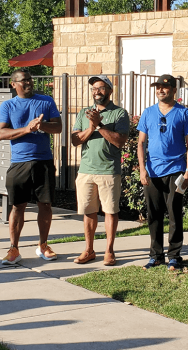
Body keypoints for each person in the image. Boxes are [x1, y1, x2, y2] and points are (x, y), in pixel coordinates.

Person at [0, 69, 63, 265]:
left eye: (30, 80)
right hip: (19, 163)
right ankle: (14, 249)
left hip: (44, 162)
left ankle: (43, 245)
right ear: (13, 84)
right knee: (18, 206)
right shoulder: (8, 105)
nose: (29, 83)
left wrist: (41, 126)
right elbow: (0, 133)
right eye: (24, 81)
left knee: (46, 205)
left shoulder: (46, 101)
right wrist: (27, 129)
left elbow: (58, 127)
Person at [137, 74, 188, 271]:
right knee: (153, 214)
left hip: (176, 170)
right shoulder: (148, 113)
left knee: (174, 213)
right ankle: (155, 256)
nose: (160, 90)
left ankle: (174, 256)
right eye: (158, 87)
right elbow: (141, 143)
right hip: (153, 171)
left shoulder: (183, 113)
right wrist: (142, 169)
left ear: (173, 90)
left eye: (165, 87)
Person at [71, 75, 129, 265]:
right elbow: (75, 140)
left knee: (110, 211)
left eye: (101, 88)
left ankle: (109, 251)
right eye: (94, 88)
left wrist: (100, 125)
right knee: (89, 212)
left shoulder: (119, 113)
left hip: (109, 170)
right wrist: (91, 127)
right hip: (86, 171)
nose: (97, 91)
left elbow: (120, 141)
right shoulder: (84, 113)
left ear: (110, 91)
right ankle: (89, 250)